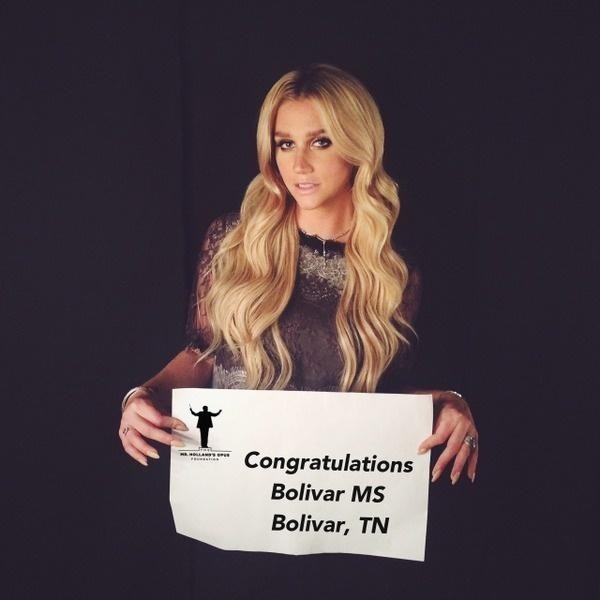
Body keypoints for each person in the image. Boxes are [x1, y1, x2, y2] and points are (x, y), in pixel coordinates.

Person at [118, 63, 478, 487]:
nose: (299, 164)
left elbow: (379, 399)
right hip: (232, 486)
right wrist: (142, 395)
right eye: (285, 144)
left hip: (329, 495)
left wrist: (449, 404)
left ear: (358, 147)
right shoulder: (234, 239)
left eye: (320, 142)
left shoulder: (392, 269)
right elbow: (204, 352)